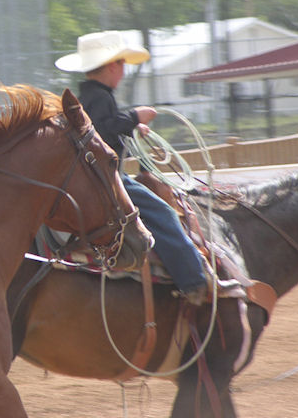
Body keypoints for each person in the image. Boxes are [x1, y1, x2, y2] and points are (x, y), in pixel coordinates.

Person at [55, 30, 208, 305]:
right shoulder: (100, 98)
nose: (123, 71)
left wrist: (131, 125)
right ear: (114, 66)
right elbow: (100, 131)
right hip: (108, 179)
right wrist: (135, 115)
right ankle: (193, 280)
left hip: (93, 177)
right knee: (162, 214)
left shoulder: (88, 96)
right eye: (122, 65)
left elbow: (103, 127)